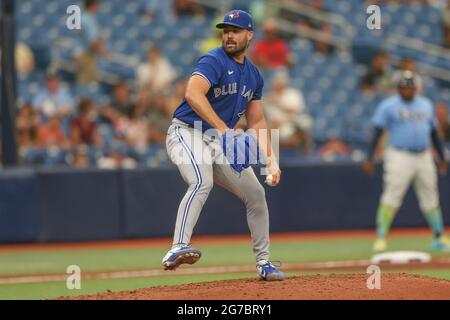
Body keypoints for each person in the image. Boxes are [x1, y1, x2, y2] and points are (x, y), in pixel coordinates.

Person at [162, 10, 285, 281]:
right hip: (187, 132)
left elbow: (257, 121)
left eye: (236, 30)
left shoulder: (254, 75)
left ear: (249, 35)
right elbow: (192, 94)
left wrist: (270, 159)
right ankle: (177, 247)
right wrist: (223, 129)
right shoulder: (213, 60)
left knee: (256, 194)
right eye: (225, 30)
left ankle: (264, 263)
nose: (229, 35)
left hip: (219, 140)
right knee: (201, 180)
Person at [363, 71, 449, 252]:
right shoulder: (389, 105)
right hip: (399, 154)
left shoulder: (425, 104)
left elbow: (433, 133)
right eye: (403, 86)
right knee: (392, 195)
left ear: (415, 88)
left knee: (430, 196)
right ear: (398, 88)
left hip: (424, 155)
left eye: (409, 86)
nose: (406, 90)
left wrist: (442, 157)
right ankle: (381, 237)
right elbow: (377, 131)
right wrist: (369, 157)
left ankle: (438, 236)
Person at [75, 0, 108, 83]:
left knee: (84, 81)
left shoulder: (84, 18)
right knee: (88, 82)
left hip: (81, 53)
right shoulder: (88, 19)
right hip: (86, 55)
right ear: (92, 5)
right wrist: (103, 51)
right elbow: (93, 41)